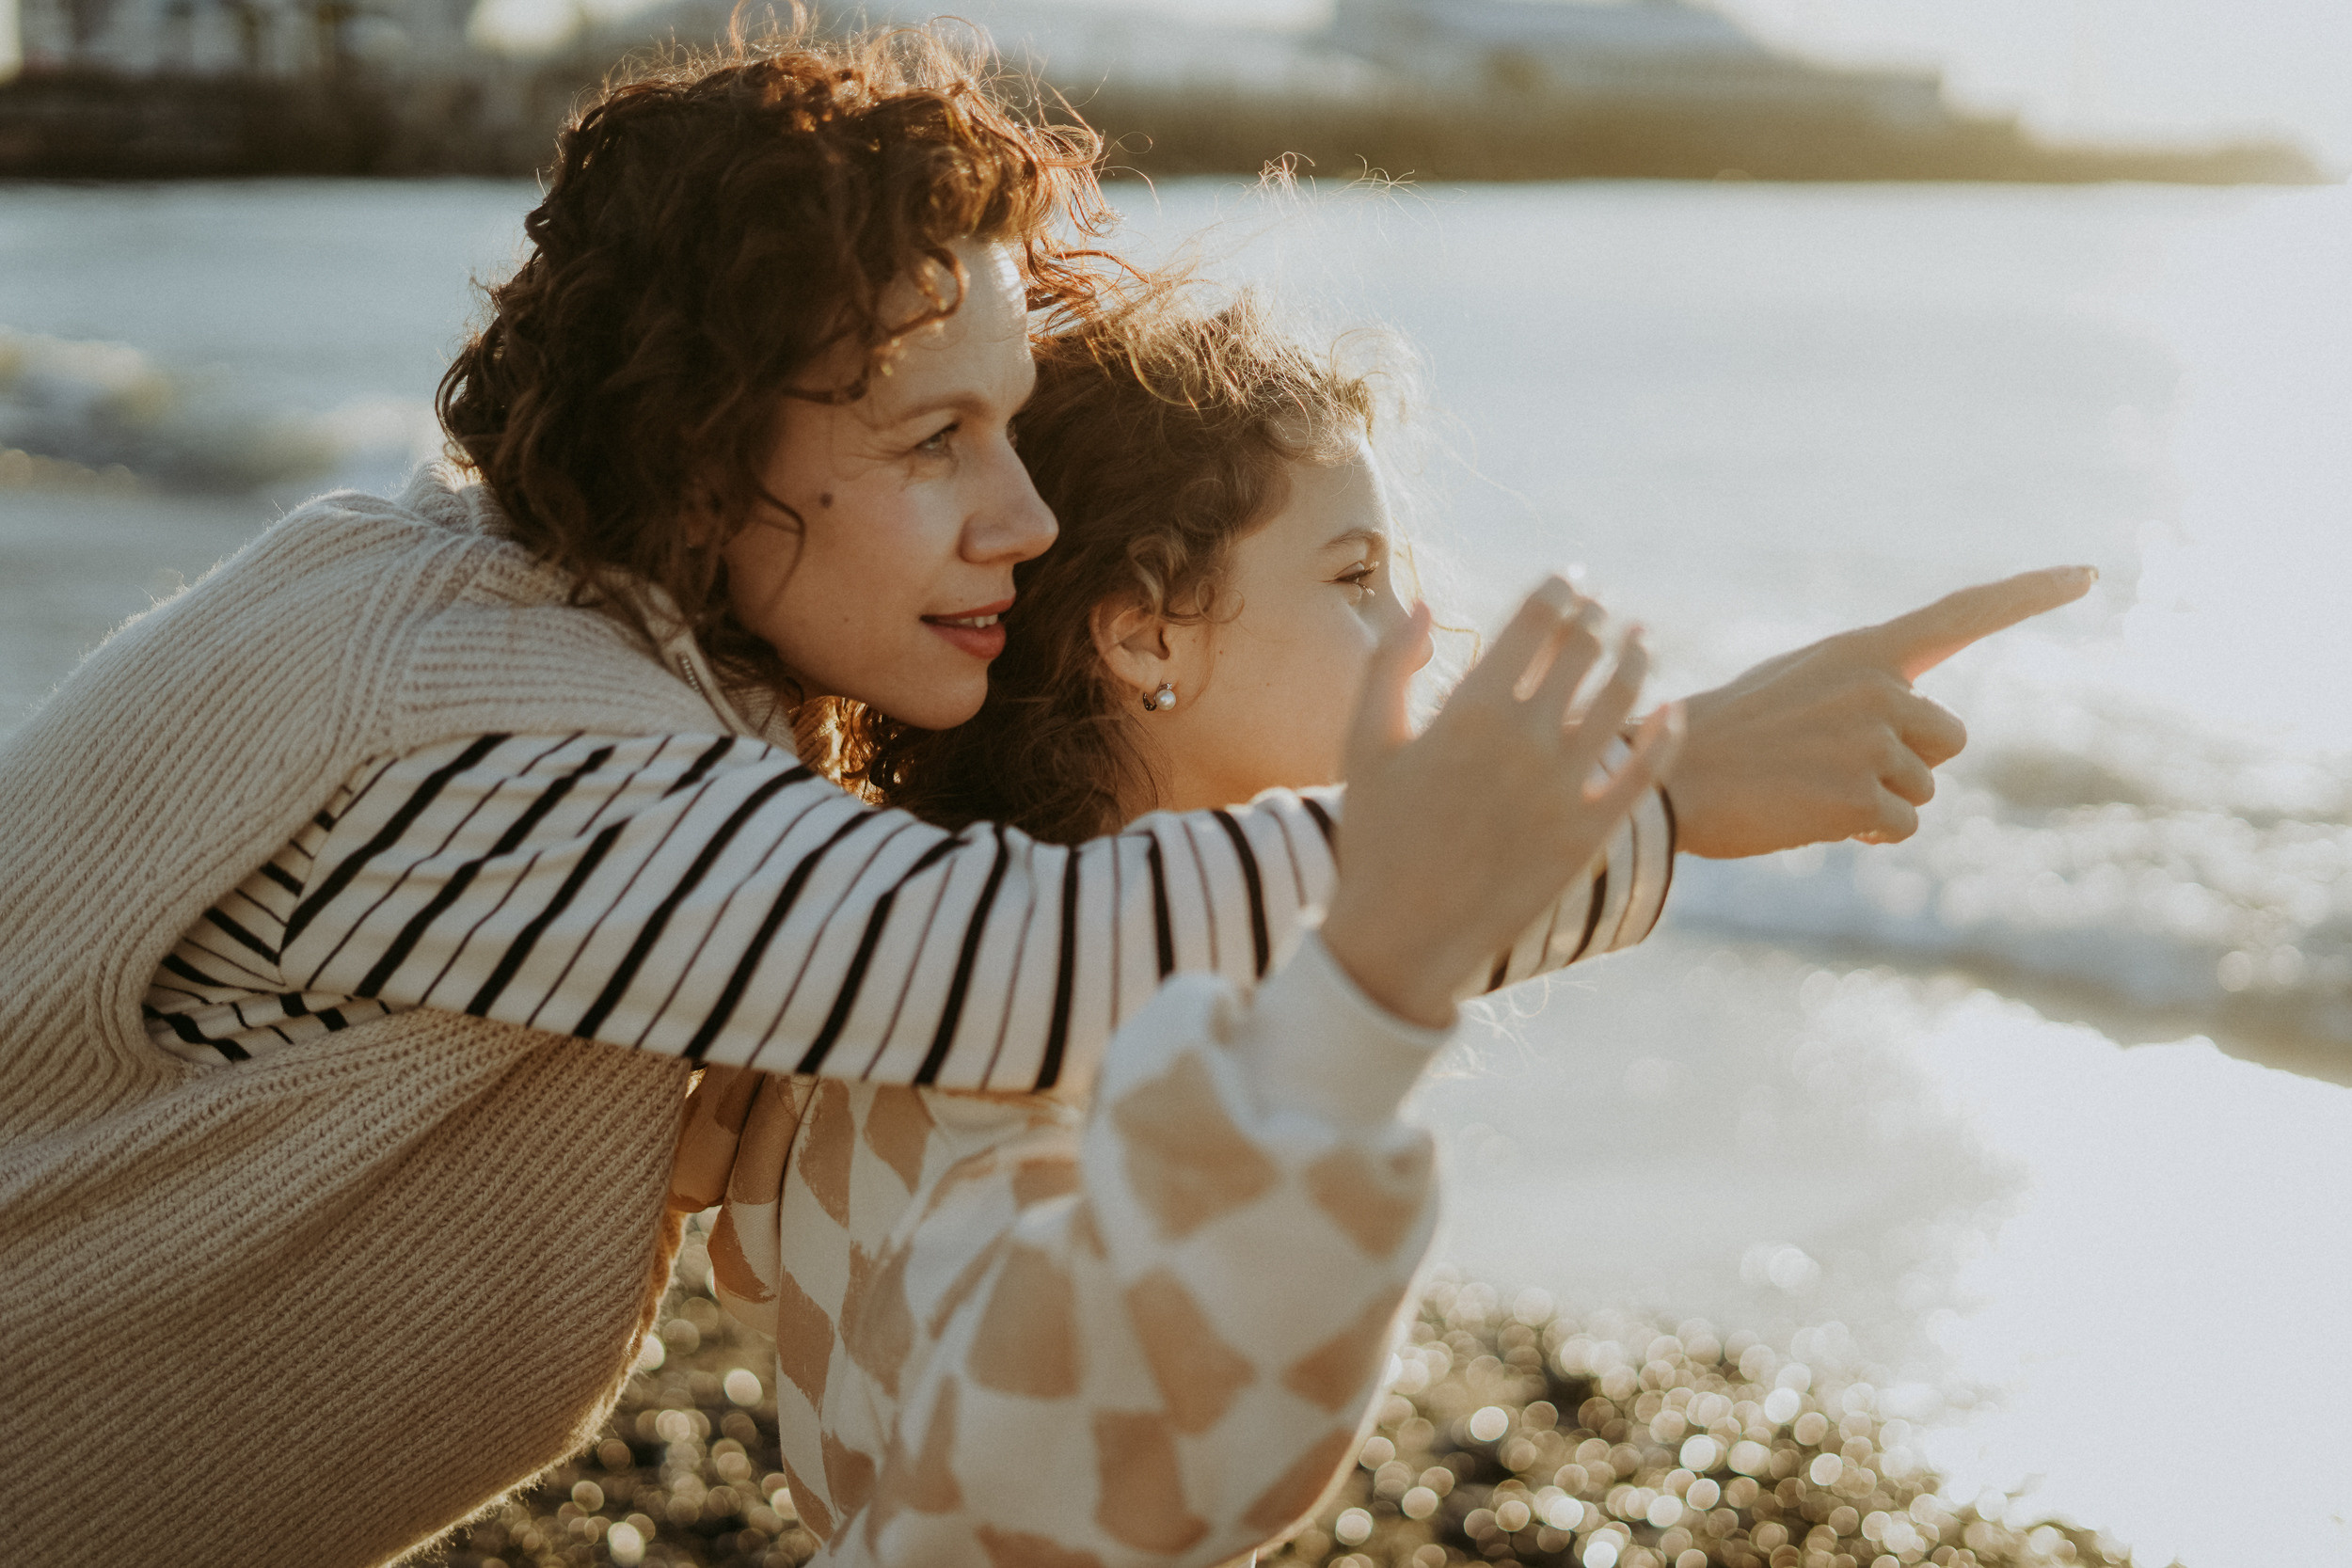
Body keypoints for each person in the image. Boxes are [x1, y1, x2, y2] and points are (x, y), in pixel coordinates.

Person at [0, 28, 2088, 1568]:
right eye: (930, 440)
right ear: (703, 435)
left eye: (1013, 429)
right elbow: (1010, 960)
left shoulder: (532, 641)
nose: (1017, 514)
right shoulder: (489, 733)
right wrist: (1649, 795)